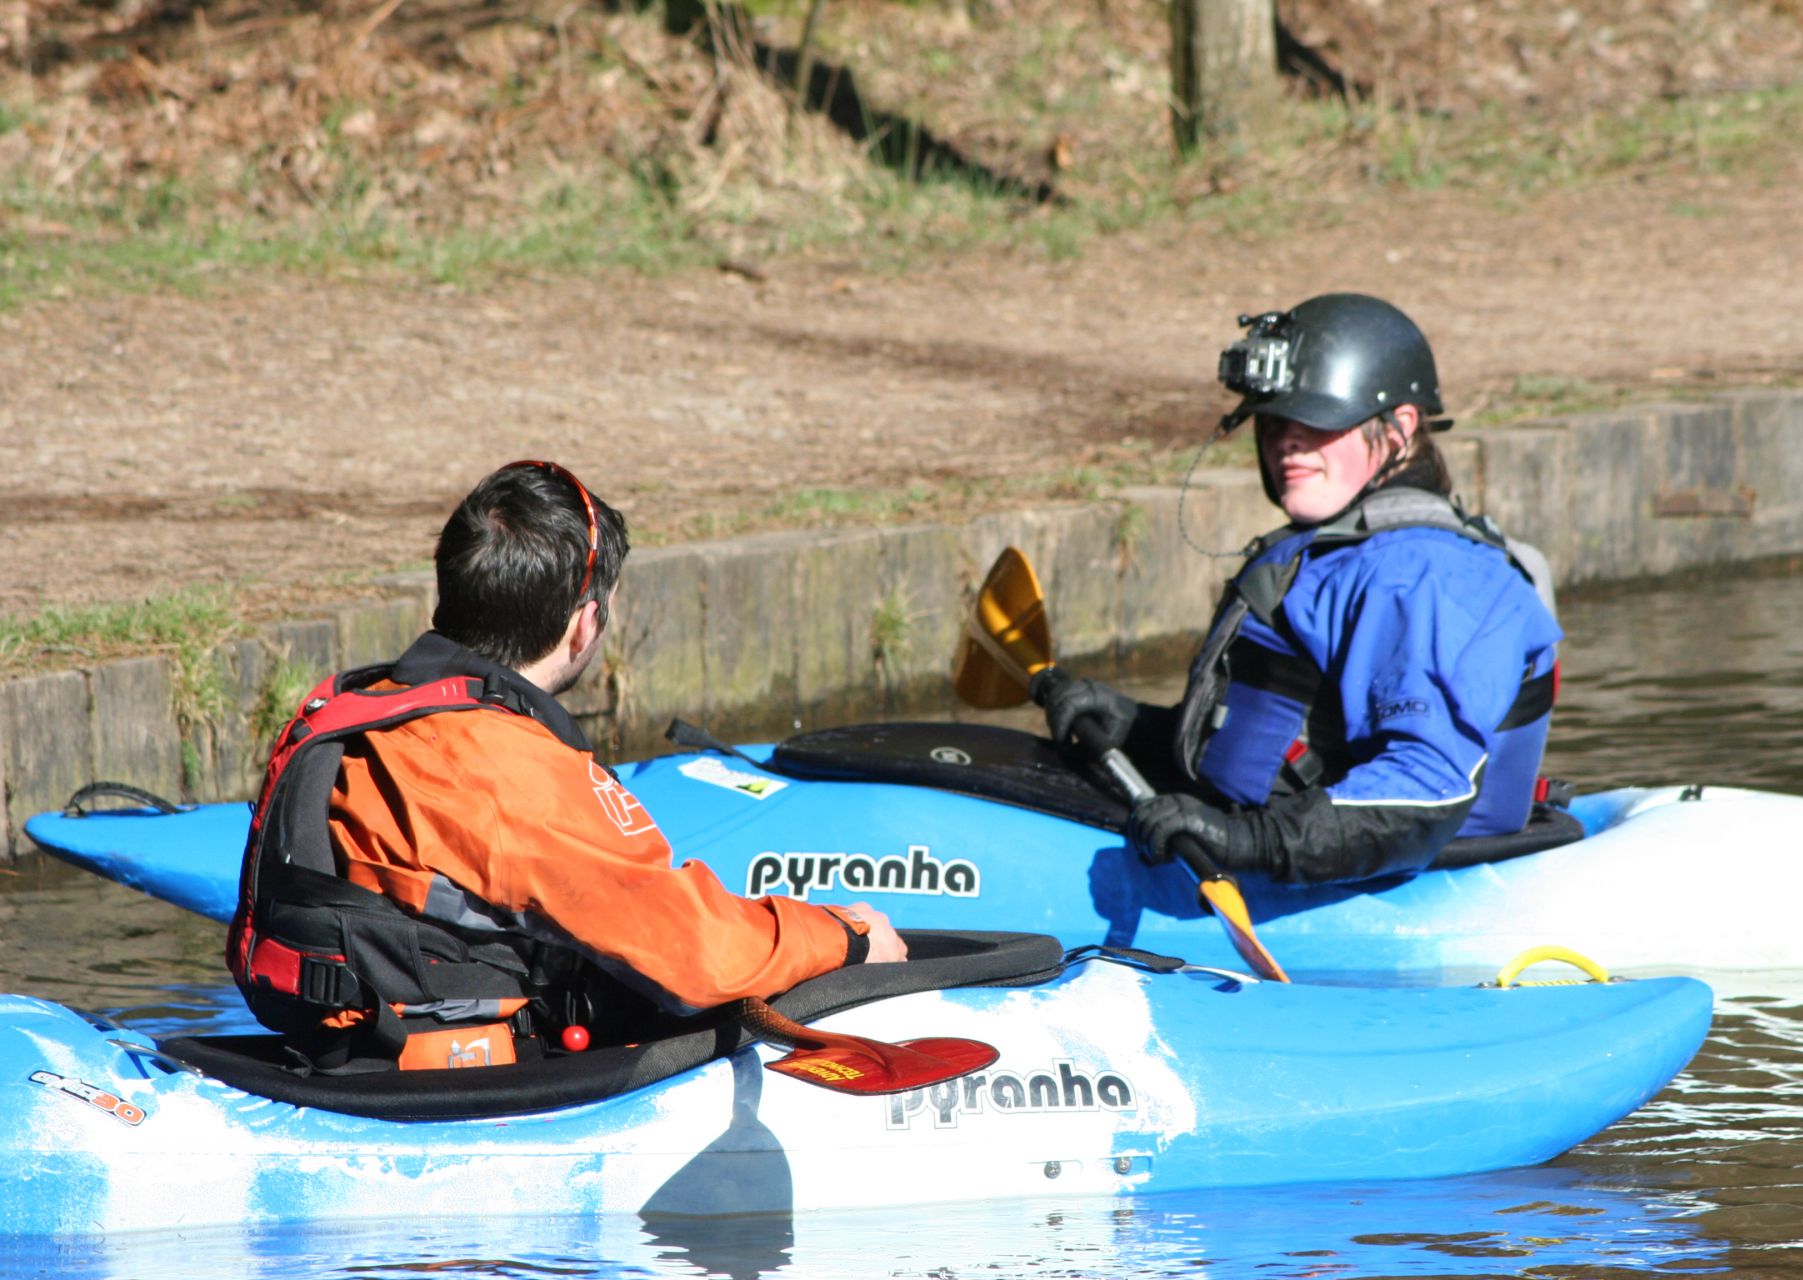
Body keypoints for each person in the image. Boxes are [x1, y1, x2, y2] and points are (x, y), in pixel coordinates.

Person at [228, 460, 905, 1070]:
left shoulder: (350, 704)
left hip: (341, 1043)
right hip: (440, 1084)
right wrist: (843, 941)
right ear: (585, 624)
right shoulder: (502, 766)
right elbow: (697, 954)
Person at [1039, 293, 1565, 886]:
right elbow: (1297, 740)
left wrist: (1248, 842)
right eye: (1275, 420)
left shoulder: (1419, 574)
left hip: (1401, 882)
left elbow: (1424, 787)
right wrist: (1141, 729)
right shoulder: (1350, 548)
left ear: (1400, 429)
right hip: (1290, 841)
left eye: (1317, 421)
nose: (1287, 441)